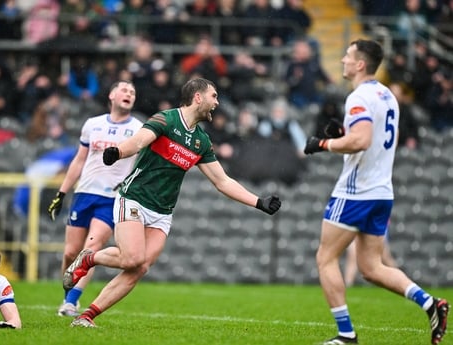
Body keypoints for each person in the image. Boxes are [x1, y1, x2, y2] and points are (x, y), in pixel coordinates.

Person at [63, 77, 282, 328]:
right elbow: (138, 141)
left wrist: (259, 202)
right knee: (131, 259)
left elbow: (222, 181)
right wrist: (119, 152)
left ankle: (85, 317)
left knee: (140, 267)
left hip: (162, 212)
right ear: (198, 97)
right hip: (134, 197)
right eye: (214, 96)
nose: (217, 103)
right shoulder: (165, 120)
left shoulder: (201, 141)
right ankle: (88, 259)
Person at [303, 39, 449, 345]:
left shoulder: (359, 97)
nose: (342, 59)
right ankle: (429, 303)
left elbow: (362, 140)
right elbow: (369, 137)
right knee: (371, 267)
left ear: (360, 64)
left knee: (325, 258)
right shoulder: (387, 96)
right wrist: (343, 135)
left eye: (348, 55)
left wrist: (323, 144)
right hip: (382, 191)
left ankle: (346, 335)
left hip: (356, 192)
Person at [46, 80, 143, 318]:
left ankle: (71, 302)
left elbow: (143, 164)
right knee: (70, 252)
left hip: (111, 198)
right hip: (84, 194)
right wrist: (61, 192)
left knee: (90, 248)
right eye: (124, 90)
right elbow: (79, 160)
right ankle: (67, 294)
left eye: (132, 92)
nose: (128, 94)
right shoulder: (93, 124)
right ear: (112, 94)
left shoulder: (139, 129)